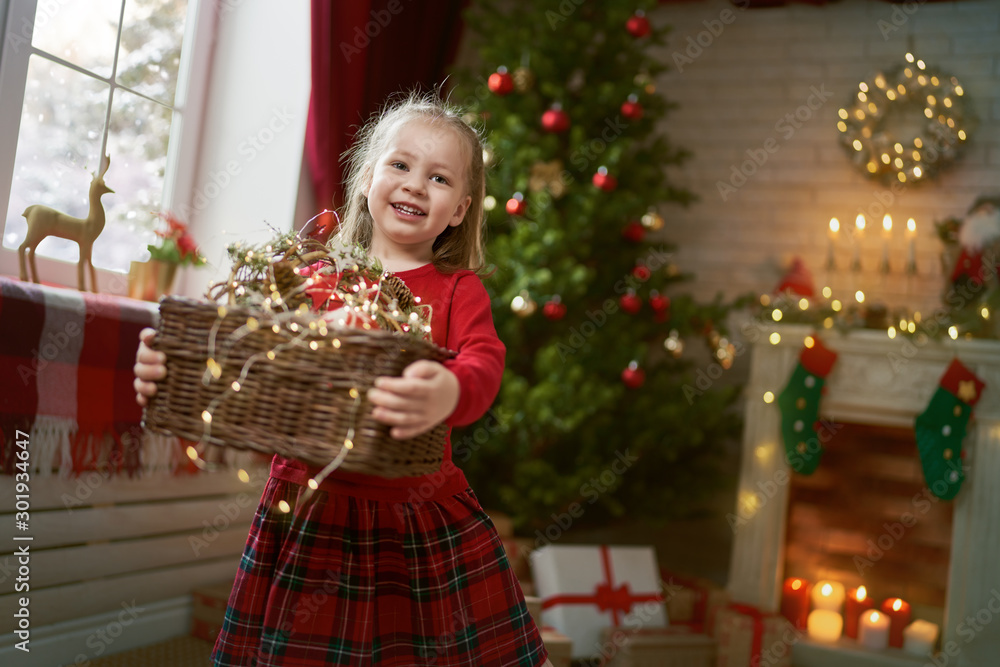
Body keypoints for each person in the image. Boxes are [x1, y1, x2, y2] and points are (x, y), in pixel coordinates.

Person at [134, 93, 552, 667]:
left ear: (459, 210)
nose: (414, 185)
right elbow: (242, 355)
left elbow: (485, 361)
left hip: (416, 510)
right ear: (365, 179)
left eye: (439, 178)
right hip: (311, 505)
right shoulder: (311, 278)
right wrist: (169, 366)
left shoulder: (458, 290)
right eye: (400, 165)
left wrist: (451, 389)